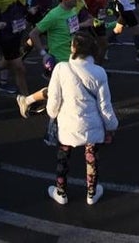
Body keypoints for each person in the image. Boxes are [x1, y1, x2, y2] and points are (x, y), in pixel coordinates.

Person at [45, 32, 118, 206]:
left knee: (63, 157)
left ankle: (61, 192)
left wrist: (52, 114)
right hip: (92, 124)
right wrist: (112, 125)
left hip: (67, 123)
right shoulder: (99, 72)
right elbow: (105, 105)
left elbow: (54, 101)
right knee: (91, 157)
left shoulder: (61, 68)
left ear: (73, 49)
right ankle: (92, 193)